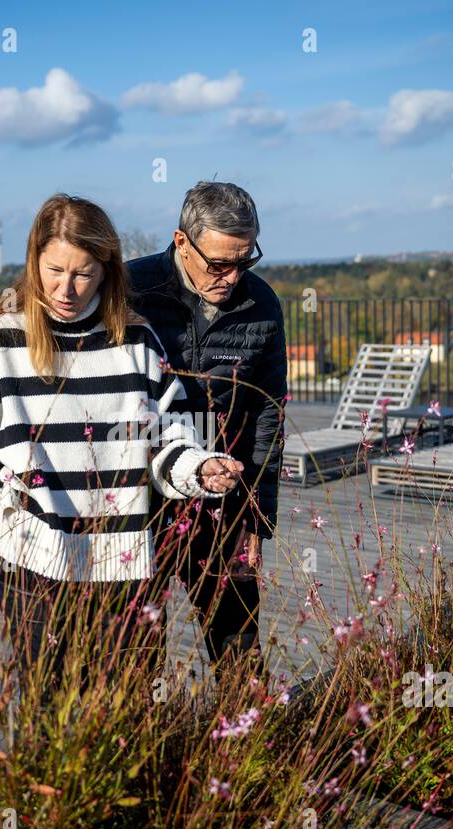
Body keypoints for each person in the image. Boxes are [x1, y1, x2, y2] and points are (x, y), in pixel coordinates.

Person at [0, 194, 243, 695]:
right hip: (33, 574)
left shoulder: (136, 340)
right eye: (54, 270)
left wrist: (198, 470)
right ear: (33, 262)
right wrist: (13, 529)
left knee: (131, 719)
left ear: (107, 270)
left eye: (83, 273)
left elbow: (170, 438)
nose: (65, 289)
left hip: (126, 570)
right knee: (47, 718)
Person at [126, 181, 288, 677]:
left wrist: (257, 519)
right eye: (219, 264)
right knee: (135, 644)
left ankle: (250, 742)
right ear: (181, 242)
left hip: (225, 495)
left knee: (237, 636)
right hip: (139, 496)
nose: (233, 276)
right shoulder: (130, 290)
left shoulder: (262, 304)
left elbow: (268, 414)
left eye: (246, 261)